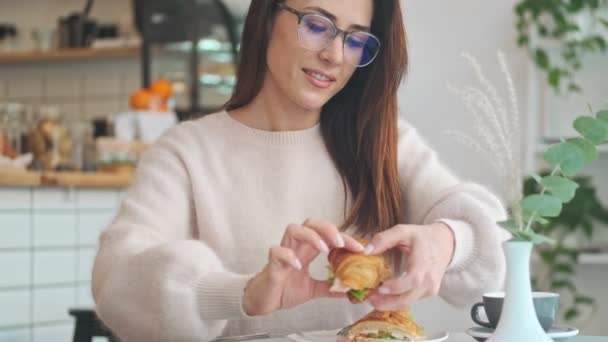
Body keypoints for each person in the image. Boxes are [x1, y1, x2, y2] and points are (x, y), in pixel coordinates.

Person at [92, 0, 510, 341]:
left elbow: (489, 235)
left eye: (356, 39)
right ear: (267, 18)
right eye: (316, 25)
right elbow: (116, 282)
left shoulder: (384, 144)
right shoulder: (186, 153)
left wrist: (445, 241)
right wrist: (243, 294)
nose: (334, 54)